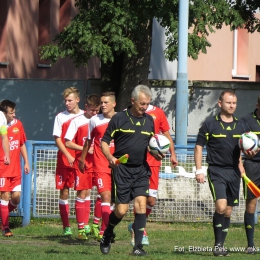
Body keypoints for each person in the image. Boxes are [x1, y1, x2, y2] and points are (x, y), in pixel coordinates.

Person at [99, 85, 163, 256]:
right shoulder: (119, 119)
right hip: (122, 170)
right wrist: (110, 158)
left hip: (141, 169)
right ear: (133, 101)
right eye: (142, 104)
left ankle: (138, 246)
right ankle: (107, 233)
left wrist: (156, 153)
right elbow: (104, 141)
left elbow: (151, 144)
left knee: (141, 205)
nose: (145, 107)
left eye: (148, 104)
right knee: (121, 210)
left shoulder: (149, 120)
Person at [194, 90, 246, 256]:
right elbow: (198, 147)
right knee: (221, 205)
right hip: (216, 170)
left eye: (234, 103)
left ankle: (221, 246)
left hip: (234, 172)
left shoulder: (241, 125)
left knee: (228, 211)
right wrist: (199, 170)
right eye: (228, 102)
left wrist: (242, 162)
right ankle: (217, 245)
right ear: (220, 104)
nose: (232, 106)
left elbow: (243, 148)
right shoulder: (210, 124)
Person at [128, 80, 178, 246]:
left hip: (154, 161)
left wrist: (172, 153)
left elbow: (165, 134)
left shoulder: (158, 113)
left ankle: (135, 225)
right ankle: (140, 230)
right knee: (141, 197)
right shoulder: (129, 113)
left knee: (151, 201)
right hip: (138, 161)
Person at [79, 91, 116, 241]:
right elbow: (88, 141)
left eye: (106, 102)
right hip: (100, 164)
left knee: (113, 200)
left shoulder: (121, 119)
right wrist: (82, 159)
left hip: (117, 165)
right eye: (101, 102)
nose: (103, 105)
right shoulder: (95, 120)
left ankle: (102, 229)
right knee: (105, 196)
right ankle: (106, 232)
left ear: (114, 104)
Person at [65, 94, 101, 240]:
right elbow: (67, 142)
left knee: (102, 194)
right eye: (92, 110)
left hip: (99, 163)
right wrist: (84, 149)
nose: (95, 113)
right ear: (86, 107)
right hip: (83, 163)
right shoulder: (77, 122)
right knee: (82, 194)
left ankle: (95, 225)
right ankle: (81, 229)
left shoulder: (101, 120)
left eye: (97, 110)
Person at [53, 87, 84, 235]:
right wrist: (68, 154)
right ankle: (66, 226)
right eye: (65, 100)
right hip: (65, 160)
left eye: (70, 100)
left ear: (77, 100)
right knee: (64, 192)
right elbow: (57, 139)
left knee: (82, 191)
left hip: (80, 160)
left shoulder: (86, 116)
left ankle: (82, 226)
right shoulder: (60, 117)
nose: (67, 103)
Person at [0, 100, 29, 237]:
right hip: (3, 168)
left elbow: (22, 143)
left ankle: (2, 217)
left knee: (16, 198)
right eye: (11, 113)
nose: (14, 115)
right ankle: (5, 227)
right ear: (4, 113)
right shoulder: (1, 125)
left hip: (15, 168)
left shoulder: (18, 125)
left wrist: (26, 162)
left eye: (14, 112)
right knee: (5, 195)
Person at [239, 95, 260, 254]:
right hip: (252, 166)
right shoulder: (246, 121)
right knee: (251, 203)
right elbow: (238, 143)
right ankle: (251, 244)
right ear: (258, 104)